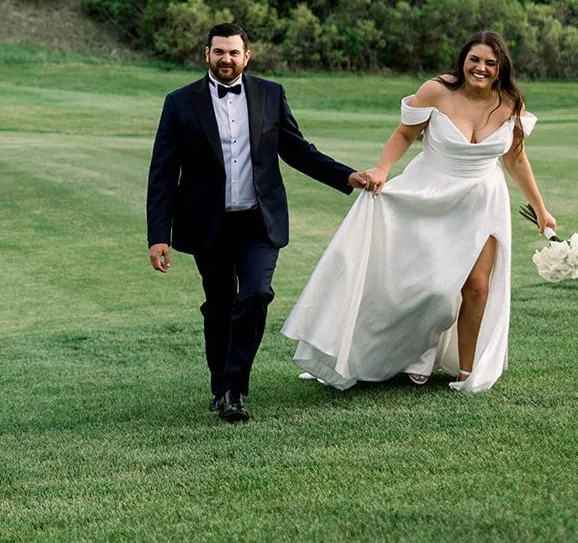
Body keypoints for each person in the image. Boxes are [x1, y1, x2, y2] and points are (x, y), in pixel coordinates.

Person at [281, 30, 556, 393]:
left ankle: (466, 372)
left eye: (490, 63)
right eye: (474, 59)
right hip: (429, 196)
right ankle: (416, 354)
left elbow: (516, 158)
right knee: (431, 289)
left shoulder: (510, 104)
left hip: (483, 201)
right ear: (463, 60)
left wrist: (541, 209)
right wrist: (382, 169)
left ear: (501, 68)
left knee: (477, 287)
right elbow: (404, 135)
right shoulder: (436, 91)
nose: (481, 67)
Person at [147, 23, 372, 422]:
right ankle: (221, 385)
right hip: (207, 223)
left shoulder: (271, 94)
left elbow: (297, 150)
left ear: (246, 56)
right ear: (206, 54)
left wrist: (346, 176)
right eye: (219, 52)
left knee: (255, 294)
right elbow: (163, 173)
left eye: (234, 52)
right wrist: (157, 235)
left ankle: (233, 389)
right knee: (219, 307)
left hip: (259, 222)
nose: (226, 59)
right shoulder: (180, 102)